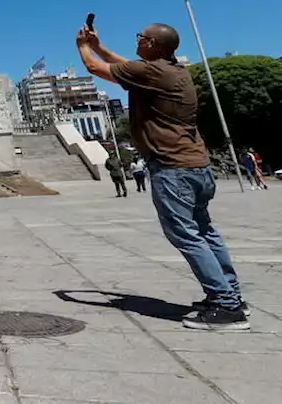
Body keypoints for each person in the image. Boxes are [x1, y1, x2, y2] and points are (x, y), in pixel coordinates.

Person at [77, 22, 249, 331]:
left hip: (173, 168)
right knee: (205, 231)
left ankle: (226, 307)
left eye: (141, 37)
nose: (137, 40)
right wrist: (99, 44)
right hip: (197, 165)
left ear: (154, 45)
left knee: (186, 235)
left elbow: (95, 67)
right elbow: (124, 65)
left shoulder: (151, 73)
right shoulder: (173, 71)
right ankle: (232, 296)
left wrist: (83, 46)